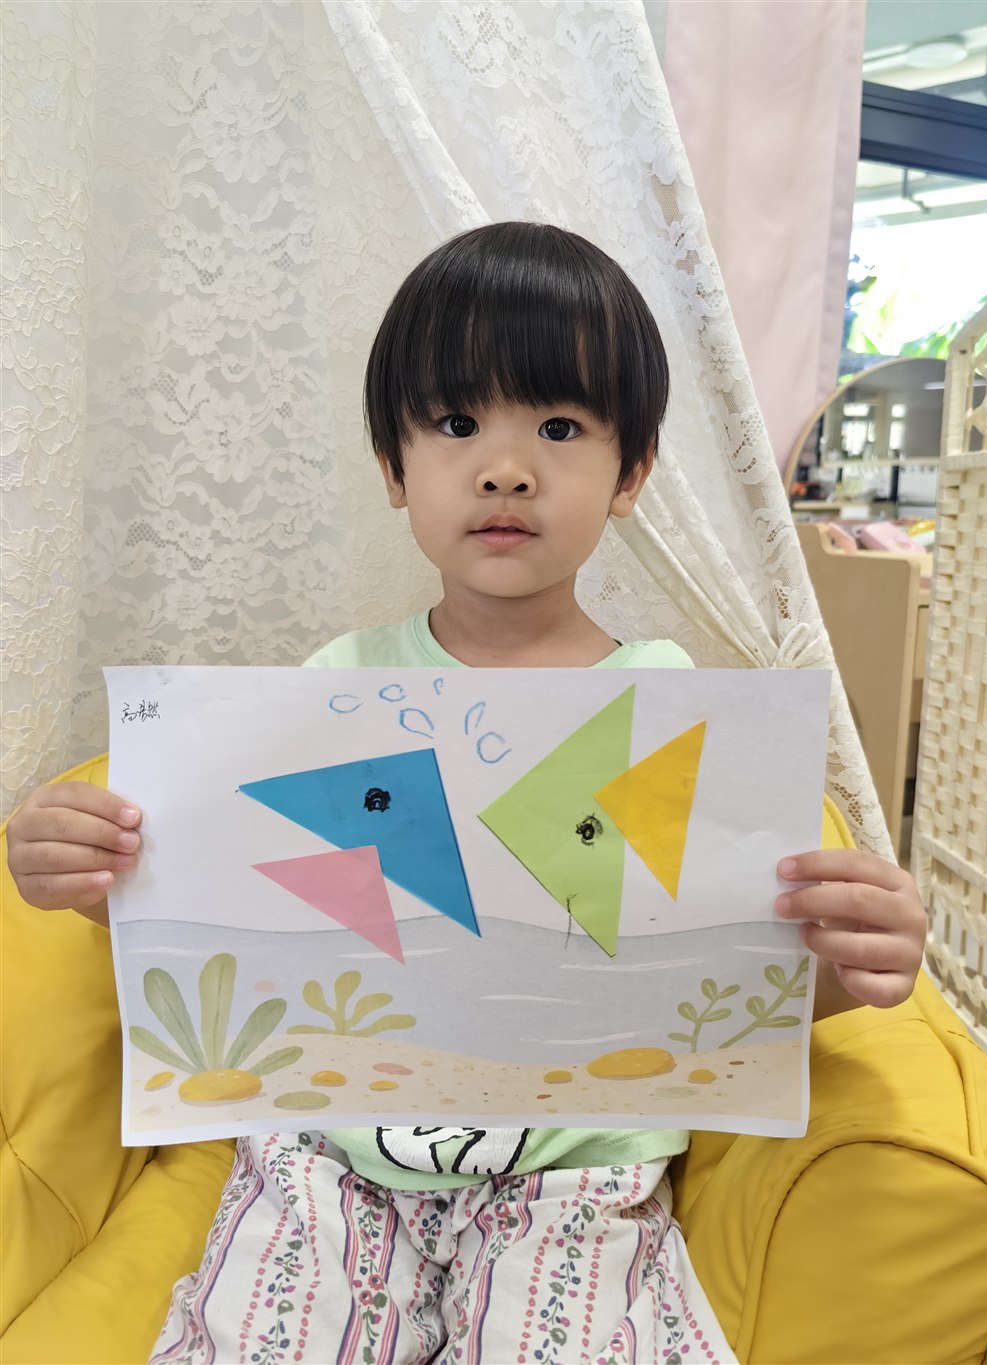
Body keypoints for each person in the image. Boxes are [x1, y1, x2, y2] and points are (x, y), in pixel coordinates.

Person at [7, 222, 927, 1364]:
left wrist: (854, 967)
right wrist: (85, 874)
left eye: (559, 427)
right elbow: (235, 926)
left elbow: (720, 983)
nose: (505, 468)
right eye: (454, 424)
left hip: (579, 1181)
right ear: (394, 470)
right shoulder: (332, 686)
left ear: (632, 471)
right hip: (328, 1161)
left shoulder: (673, 707)